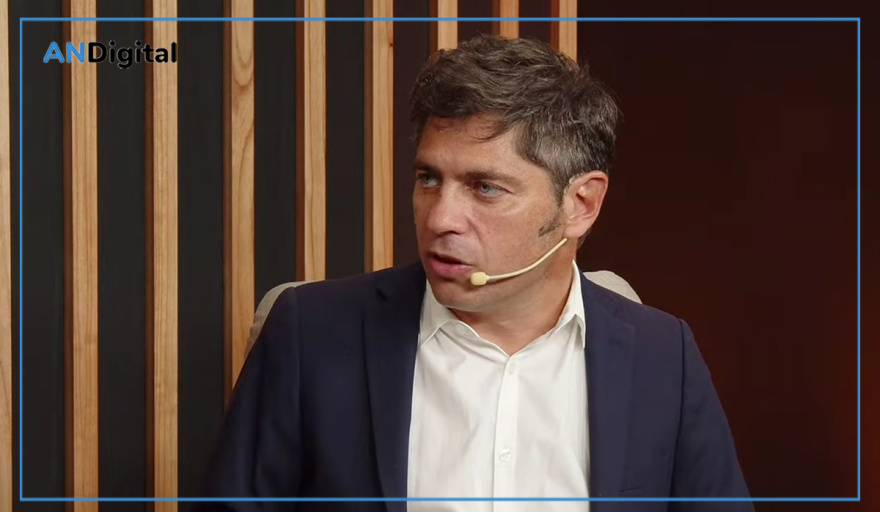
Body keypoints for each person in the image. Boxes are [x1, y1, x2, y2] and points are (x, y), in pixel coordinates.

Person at [195, 35, 752, 512]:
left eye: (485, 188)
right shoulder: (309, 332)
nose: (440, 218)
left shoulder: (664, 355)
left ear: (580, 203)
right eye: (429, 179)